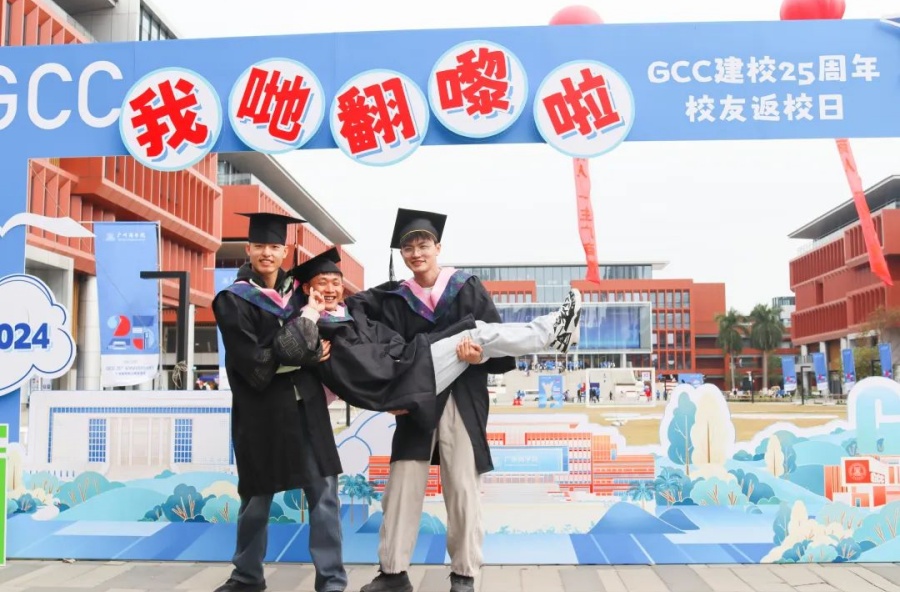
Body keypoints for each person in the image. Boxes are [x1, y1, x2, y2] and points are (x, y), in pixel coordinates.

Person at [355, 209, 581, 592]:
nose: (416, 253)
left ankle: (464, 574)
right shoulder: (393, 298)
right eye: (408, 248)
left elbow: (497, 347)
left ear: (438, 247)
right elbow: (363, 321)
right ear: (402, 255)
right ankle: (392, 573)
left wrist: (479, 359)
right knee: (402, 486)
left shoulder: (465, 287)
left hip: (460, 397)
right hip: (417, 400)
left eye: (423, 245)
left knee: (462, 488)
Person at [284, 248, 582, 421]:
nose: (331, 289)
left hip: (410, 364)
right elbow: (311, 359)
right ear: (307, 288)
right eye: (322, 283)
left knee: (473, 331)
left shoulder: (351, 311)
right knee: (477, 334)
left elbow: (381, 297)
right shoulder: (313, 327)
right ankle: (551, 332)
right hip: (402, 378)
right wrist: (311, 310)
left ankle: (553, 333)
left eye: (336, 282)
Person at [212, 213, 347, 592]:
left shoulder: (301, 296)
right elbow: (251, 363)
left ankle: (332, 581)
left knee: (324, 496)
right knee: (256, 499)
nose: (267, 253)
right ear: (249, 249)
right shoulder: (232, 300)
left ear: (284, 251)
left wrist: (301, 351)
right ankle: (246, 577)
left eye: (274, 246)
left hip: (308, 410)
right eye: (260, 246)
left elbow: (326, 338)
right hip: (262, 412)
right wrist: (303, 355)